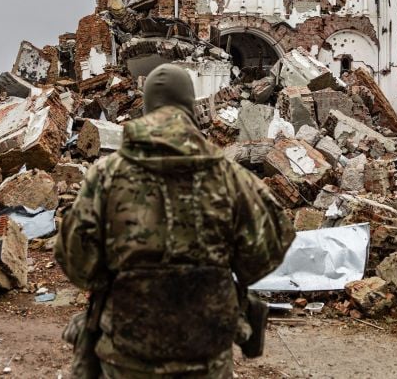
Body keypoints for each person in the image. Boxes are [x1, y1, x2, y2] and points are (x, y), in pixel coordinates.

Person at [56, 63, 295, 378]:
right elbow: (269, 246)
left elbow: (77, 263)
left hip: (127, 356)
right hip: (206, 356)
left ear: (147, 106)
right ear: (188, 107)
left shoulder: (106, 175)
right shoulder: (229, 176)